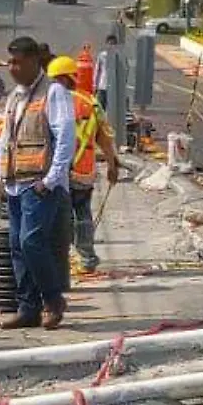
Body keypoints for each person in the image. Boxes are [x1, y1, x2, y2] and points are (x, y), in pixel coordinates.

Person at [0, 36, 76, 330]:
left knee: (32, 242)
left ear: (33, 61)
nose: (12, 68)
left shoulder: (54, 93)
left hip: (40, 184)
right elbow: (6, 138)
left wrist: (53, 178)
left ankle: (53, 300)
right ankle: (27, 308)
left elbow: (66, 137)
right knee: (17, 245)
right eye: (10, 61)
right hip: (16, 182)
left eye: (17, 62)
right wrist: (0, 176)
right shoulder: (15, 97)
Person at [47, 55, 121, 273]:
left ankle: (61, 259)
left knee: (61, 217)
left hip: (58, 172)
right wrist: (112, 166)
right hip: (84, 171)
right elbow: (106, 140)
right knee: (83, 213)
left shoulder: (48, 102)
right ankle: (87, 258)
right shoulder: (92, 103)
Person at [93, 34, 118, 110]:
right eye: (109, 44)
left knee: (112, 109)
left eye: (113, 44)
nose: (111, 46)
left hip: (113, 87)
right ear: (106, 44)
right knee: (100, 108)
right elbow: (97, 71)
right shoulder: (101, 56)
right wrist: (95, 85)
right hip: (102, 86)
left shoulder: (118, 56)